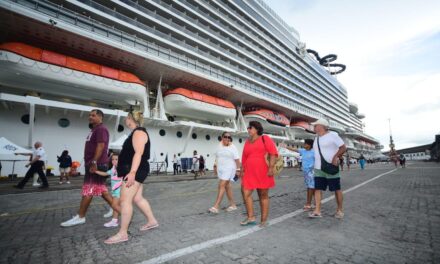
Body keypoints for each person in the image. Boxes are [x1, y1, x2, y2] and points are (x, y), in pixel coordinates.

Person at [104, 110, 158, 244]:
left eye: (126, 117)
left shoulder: (139, 132)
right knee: (138, 198)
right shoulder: (136, 132)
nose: (125, 120)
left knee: (124, 200)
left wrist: (132, 173)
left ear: (130, 118)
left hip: (134, 170)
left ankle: (122, 233)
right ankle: (152, 221)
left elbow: (138, 153)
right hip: (134, 169)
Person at [61, 109, 117, 227]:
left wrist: (94, 161)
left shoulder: (101, 129)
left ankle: (81, 216)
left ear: (100, 117)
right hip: (93, 164)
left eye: (93, 115)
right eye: (89, 115)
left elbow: (101, 146)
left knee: (89, 190)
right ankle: (116, 208)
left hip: (96, 164)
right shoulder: (94, 129)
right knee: (102, 190)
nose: (90, 117)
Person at [240, 121, 278, 227]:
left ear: (257, 129)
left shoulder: (265, 138)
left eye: (250, 127)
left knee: (263, 195)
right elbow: (244, 157)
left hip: (263, 171)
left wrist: (271, 168)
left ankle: (264, 220)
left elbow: (273, 153)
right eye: (248, 128)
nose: (248, 129)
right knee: (245, 192)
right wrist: (241, 170)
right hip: (249, 172)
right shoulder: (247, 142)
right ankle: (251, 217)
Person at [309, 119, 346, 219]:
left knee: (336, 189)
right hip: (318, 168)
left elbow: (343, 147)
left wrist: (335, 157)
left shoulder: (333, 135)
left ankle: (340, 210)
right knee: (318, 189)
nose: (314, 127)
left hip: (331, 166)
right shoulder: (316, 138)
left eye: (315, 125)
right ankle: (317, 210)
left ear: (321, 126)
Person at [209, 132, 240, 214]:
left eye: (229, 137)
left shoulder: (233, 147)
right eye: (225, 137)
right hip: (221, 169)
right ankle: (233, 205)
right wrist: (215, 166)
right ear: (222, 137)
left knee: (221, 185)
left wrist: (238, 170)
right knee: (227, 186)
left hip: (230, 168)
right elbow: (217, 156)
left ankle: (216, 206)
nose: (227, 139)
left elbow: (237, 160)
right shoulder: (219, 146)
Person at [281, 139, 315, 211]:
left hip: (312, 172)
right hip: (306, 172)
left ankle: (308, 204)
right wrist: (285, 146)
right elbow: (294, 149)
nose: (304, 145)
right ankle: (316, 202)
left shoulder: (314, 152)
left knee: (310, 188)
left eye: (305, 144)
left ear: (309, 145)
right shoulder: (303, 151)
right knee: (312, 188)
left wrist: (312, 167)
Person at [94, 153, 122, 227]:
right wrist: (96, 171)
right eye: (112, 159)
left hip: (119, 190)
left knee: (114, 205)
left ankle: (127, 216)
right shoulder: (113, 168)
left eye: (116, 159)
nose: (114, 161)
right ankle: (114, 221)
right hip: (115, 190)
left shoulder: (121, 168)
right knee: (116, 206)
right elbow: (106, 173)